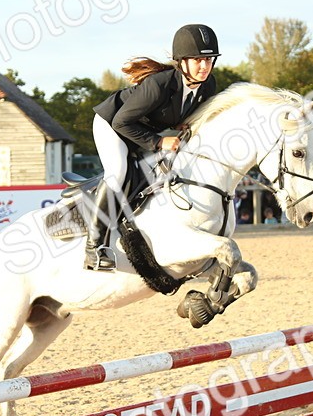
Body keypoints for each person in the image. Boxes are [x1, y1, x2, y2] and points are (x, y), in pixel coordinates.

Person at [84, 24, 220, 271]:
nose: (205, 66)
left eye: (209, 59)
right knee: (118, 172)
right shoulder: (158, 85)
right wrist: (159, 142)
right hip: (112, 125)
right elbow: (121, 122)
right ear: (182, 62)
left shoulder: (208, 86)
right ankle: (94, 248)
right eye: (198, 60)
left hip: (141, 129)